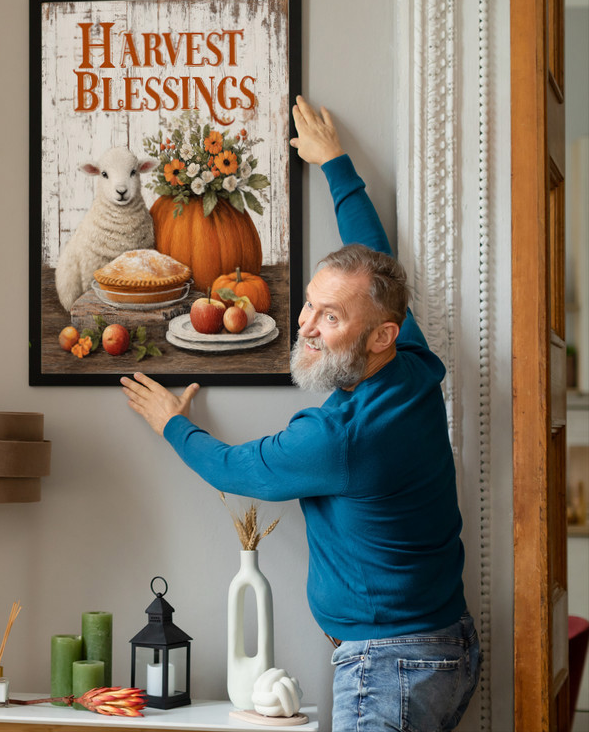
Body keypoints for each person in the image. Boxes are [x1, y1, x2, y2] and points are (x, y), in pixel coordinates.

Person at [121, 96, 481, 731]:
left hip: (389, 670)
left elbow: (236, 468)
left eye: (329, 317)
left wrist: (172, 422)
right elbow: (373, 260)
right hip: (443, 649)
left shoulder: (338, 437)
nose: (306, 326)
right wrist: (335, 164)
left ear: (380, 336)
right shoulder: (414, 367)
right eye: (311, 304)